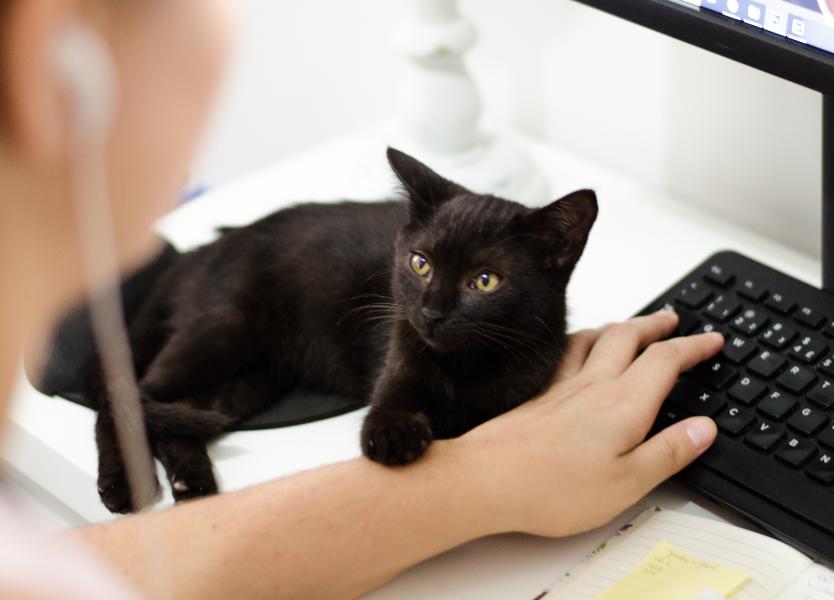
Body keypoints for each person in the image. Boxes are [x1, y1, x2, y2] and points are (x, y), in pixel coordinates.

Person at [0, 0, 723, 598]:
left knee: (240, 389)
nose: (431, 305)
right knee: (219, 340)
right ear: (56, 57)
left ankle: (173, 429)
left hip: (302, 349)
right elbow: (395, 407)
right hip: (269, 272)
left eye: (480, 284)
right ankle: (130, 412)